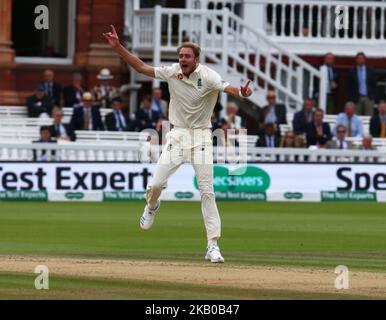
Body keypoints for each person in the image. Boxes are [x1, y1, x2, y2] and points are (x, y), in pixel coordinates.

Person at [103, 25, 253, 263]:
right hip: (177, 135)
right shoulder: (173, 72)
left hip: (203, 136)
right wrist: (118, 47)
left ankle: (212, 245)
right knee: (156, 185)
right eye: (180, 56)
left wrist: (243, 93)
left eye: (186, 57)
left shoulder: (208, 76)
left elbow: (230, 88)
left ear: (196, 59)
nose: (182, 60)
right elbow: (141, 67)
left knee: (207, 192)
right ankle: (152, 206)